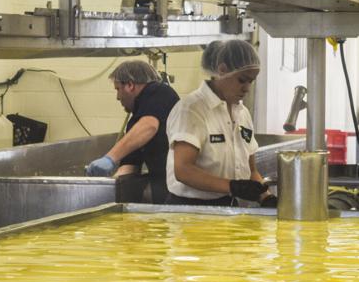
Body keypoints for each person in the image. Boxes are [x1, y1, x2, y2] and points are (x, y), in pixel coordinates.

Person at [165, 40, 275, 206]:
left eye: (251, 81)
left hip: (228, 205)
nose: (247, 88)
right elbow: (183, 170)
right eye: (242, 80)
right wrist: (232, 186)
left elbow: (251, 170)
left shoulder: (242, 113)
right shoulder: (191, 110)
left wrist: (266, 197)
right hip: (190, 209)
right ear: (222, 70)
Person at [86, 61, 180, 204]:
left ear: (130, 85)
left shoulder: (158, 91)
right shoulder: (135, 122)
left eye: (118, 89)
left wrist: (110, 158)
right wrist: (107, 188)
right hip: (164, 190)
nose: (118, 97)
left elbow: (149, 126)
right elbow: (130, 165)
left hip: (182, 188)